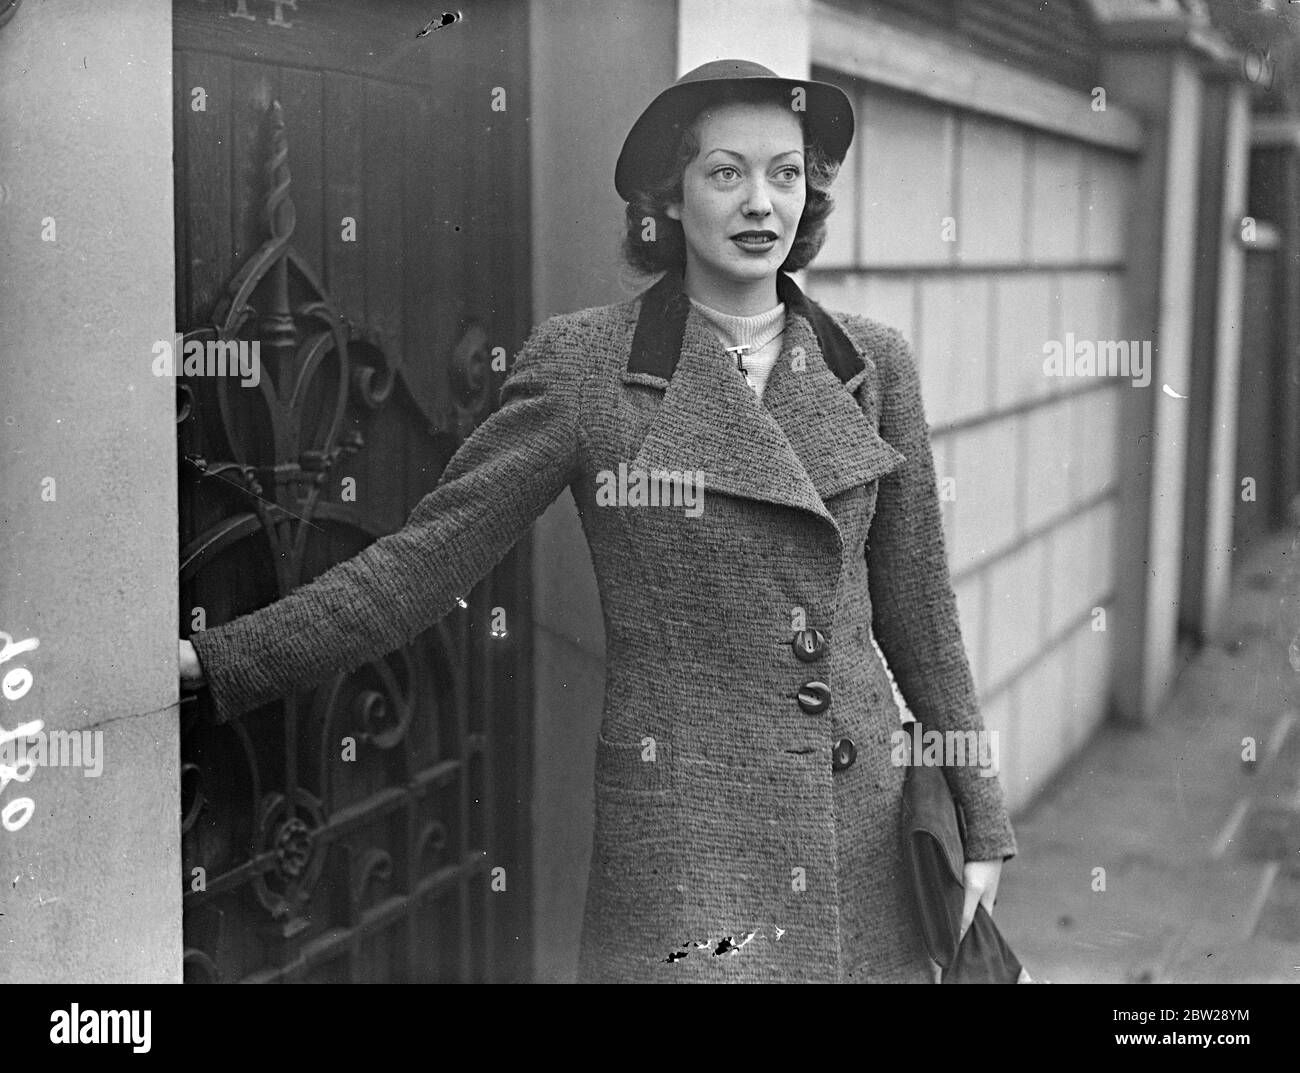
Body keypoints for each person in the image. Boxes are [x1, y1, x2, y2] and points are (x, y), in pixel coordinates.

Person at [180, 59, 1017, 983]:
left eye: (785, 173)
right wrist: (217, 658)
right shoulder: (587, 369)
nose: (761, 203)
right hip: (691, 846)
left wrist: (978, 815)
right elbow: (423, 563)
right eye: (725, 172)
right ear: (670, 197)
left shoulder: (873, 367)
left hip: (860, 833)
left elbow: (920, 617)